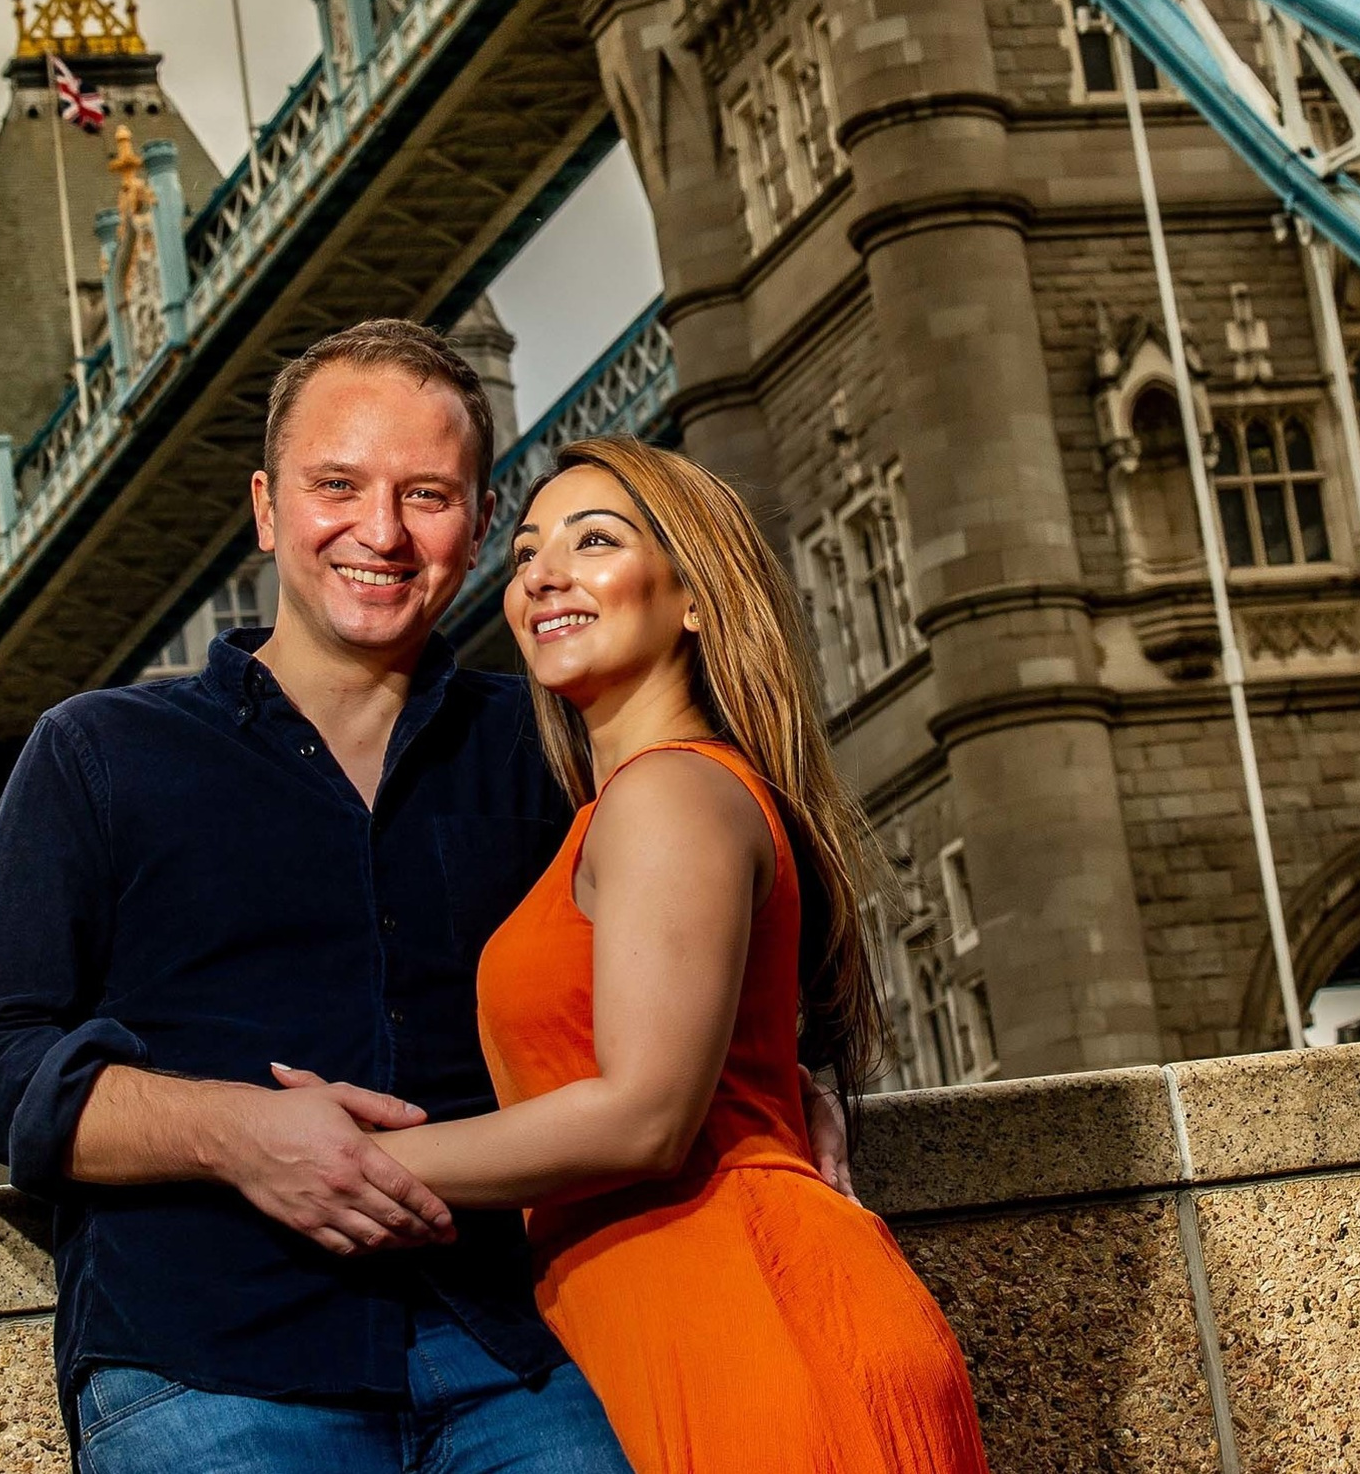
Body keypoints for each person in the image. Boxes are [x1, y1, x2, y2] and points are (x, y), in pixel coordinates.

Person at [0, 322, 848, 1473]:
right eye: (336, 485)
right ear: (268, 510)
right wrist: (237, 1135)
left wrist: (781, 1084)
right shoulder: (99, 751)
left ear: (475, 528)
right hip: (213, 1355)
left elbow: (712, 936)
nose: (380, 531)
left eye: (427, 495)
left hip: (524, 1349)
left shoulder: (555, 753)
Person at [329, 435, 992, 1474]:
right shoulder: (630, 807)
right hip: (680, 1324)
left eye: (594, 541)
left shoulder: (669, 794)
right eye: (526, 554)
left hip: (744, 1324)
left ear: (693, 597)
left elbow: (644, 1116)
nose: (542, 572)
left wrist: (337, 1165)